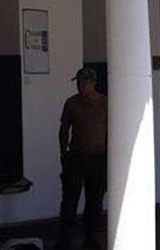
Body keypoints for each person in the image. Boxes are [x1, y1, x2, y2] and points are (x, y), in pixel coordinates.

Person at [57, 67, 108, 250]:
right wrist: (64, 155)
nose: (80, 85)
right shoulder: (71, 103)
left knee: (95, 201)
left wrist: (108, 157)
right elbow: (64, 130)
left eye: (84, 81)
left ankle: (91, 237)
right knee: (70, 200)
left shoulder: (105, 103)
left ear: (93, 83)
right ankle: (65, 238)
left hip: (98, 158)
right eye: (78, 82)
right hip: (76, 158)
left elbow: (111, 130)